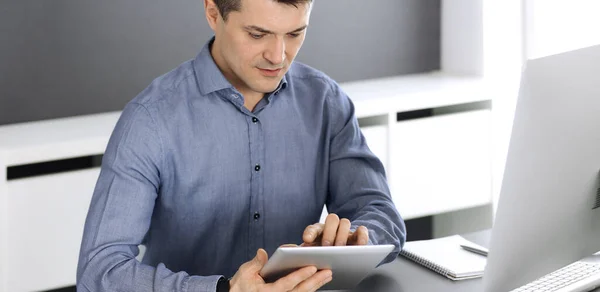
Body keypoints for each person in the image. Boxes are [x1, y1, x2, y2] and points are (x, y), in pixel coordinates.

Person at [76, 0, 406, 291]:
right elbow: (99, 270)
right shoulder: (150, 119)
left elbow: (384, 217)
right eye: (257, 34)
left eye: (294, 34)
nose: (278, 57)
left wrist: (357, 239)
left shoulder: (326, 103)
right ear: (212, 13)